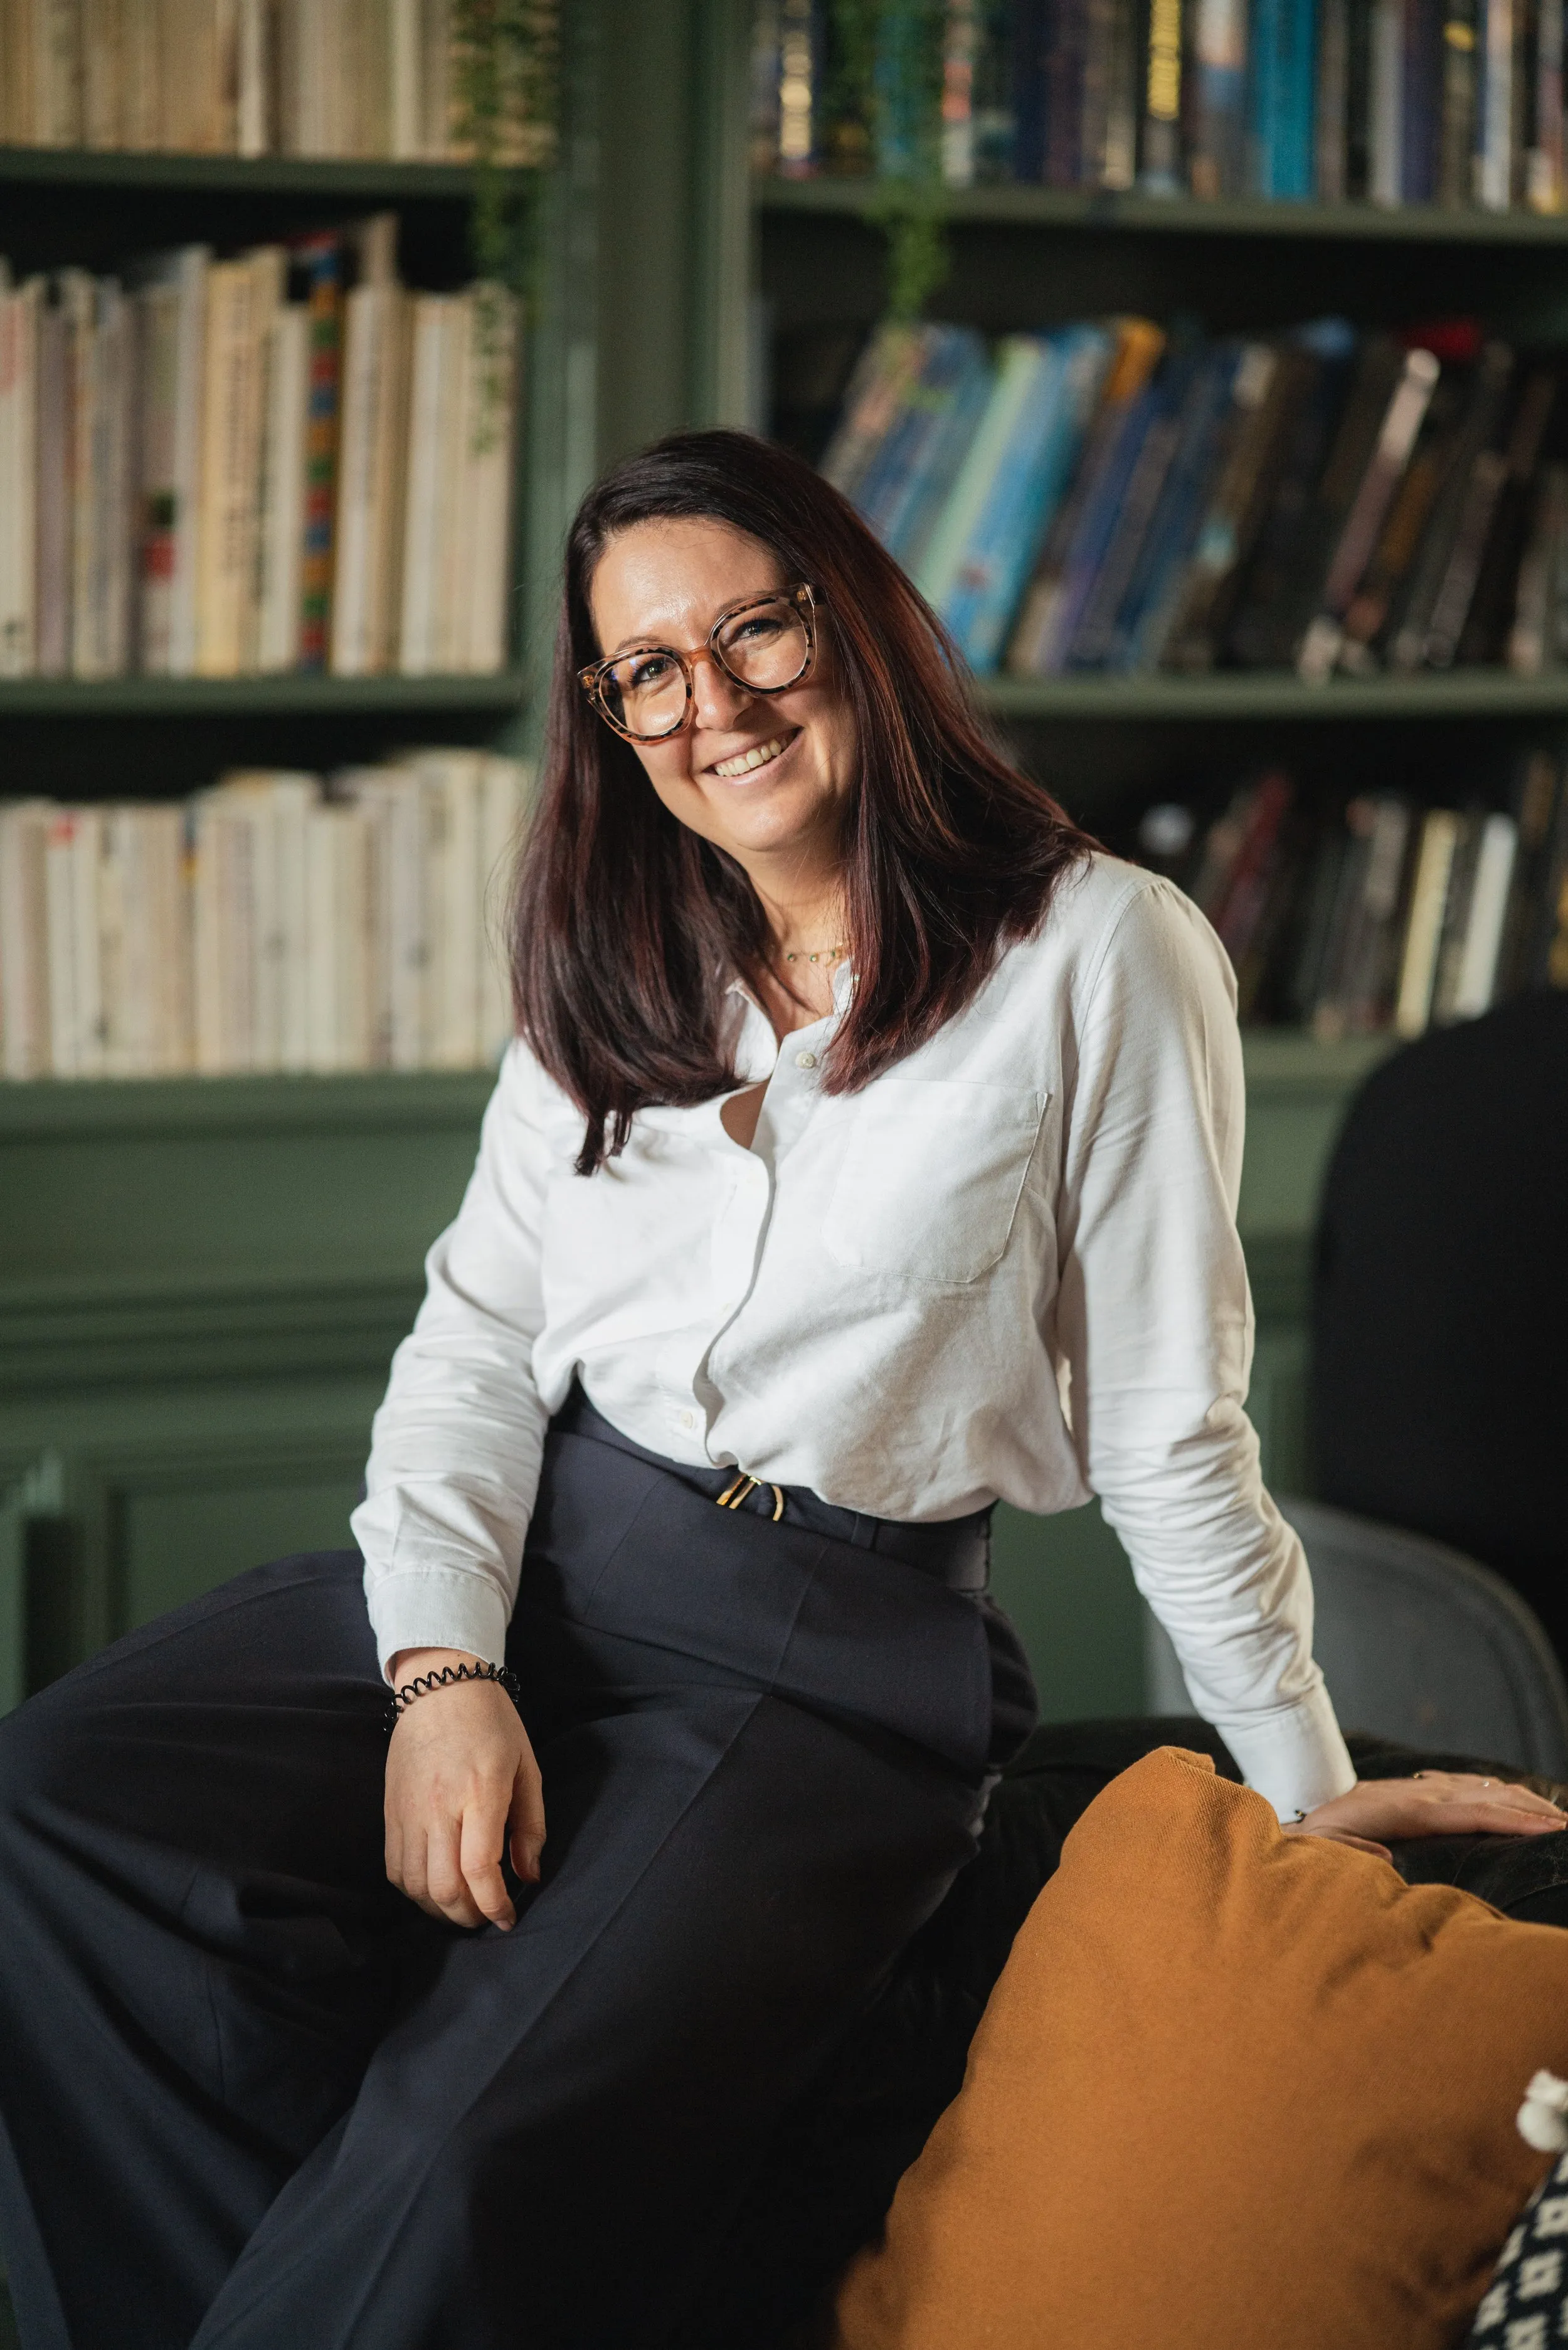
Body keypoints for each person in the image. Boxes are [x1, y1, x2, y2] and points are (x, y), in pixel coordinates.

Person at [0, 428, 1560, 2350]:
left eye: (755, 631)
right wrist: (444, 1670)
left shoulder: (1099, 952)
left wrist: (1309, 1791)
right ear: (608, 709)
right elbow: (479, 1340)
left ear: (860, 625)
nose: (709, 702)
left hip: (819, 1652)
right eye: (647, 667)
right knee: (58, 1806)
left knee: (461, 2158)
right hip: (541, 1551)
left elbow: (1169, 1420)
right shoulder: (612, 938)